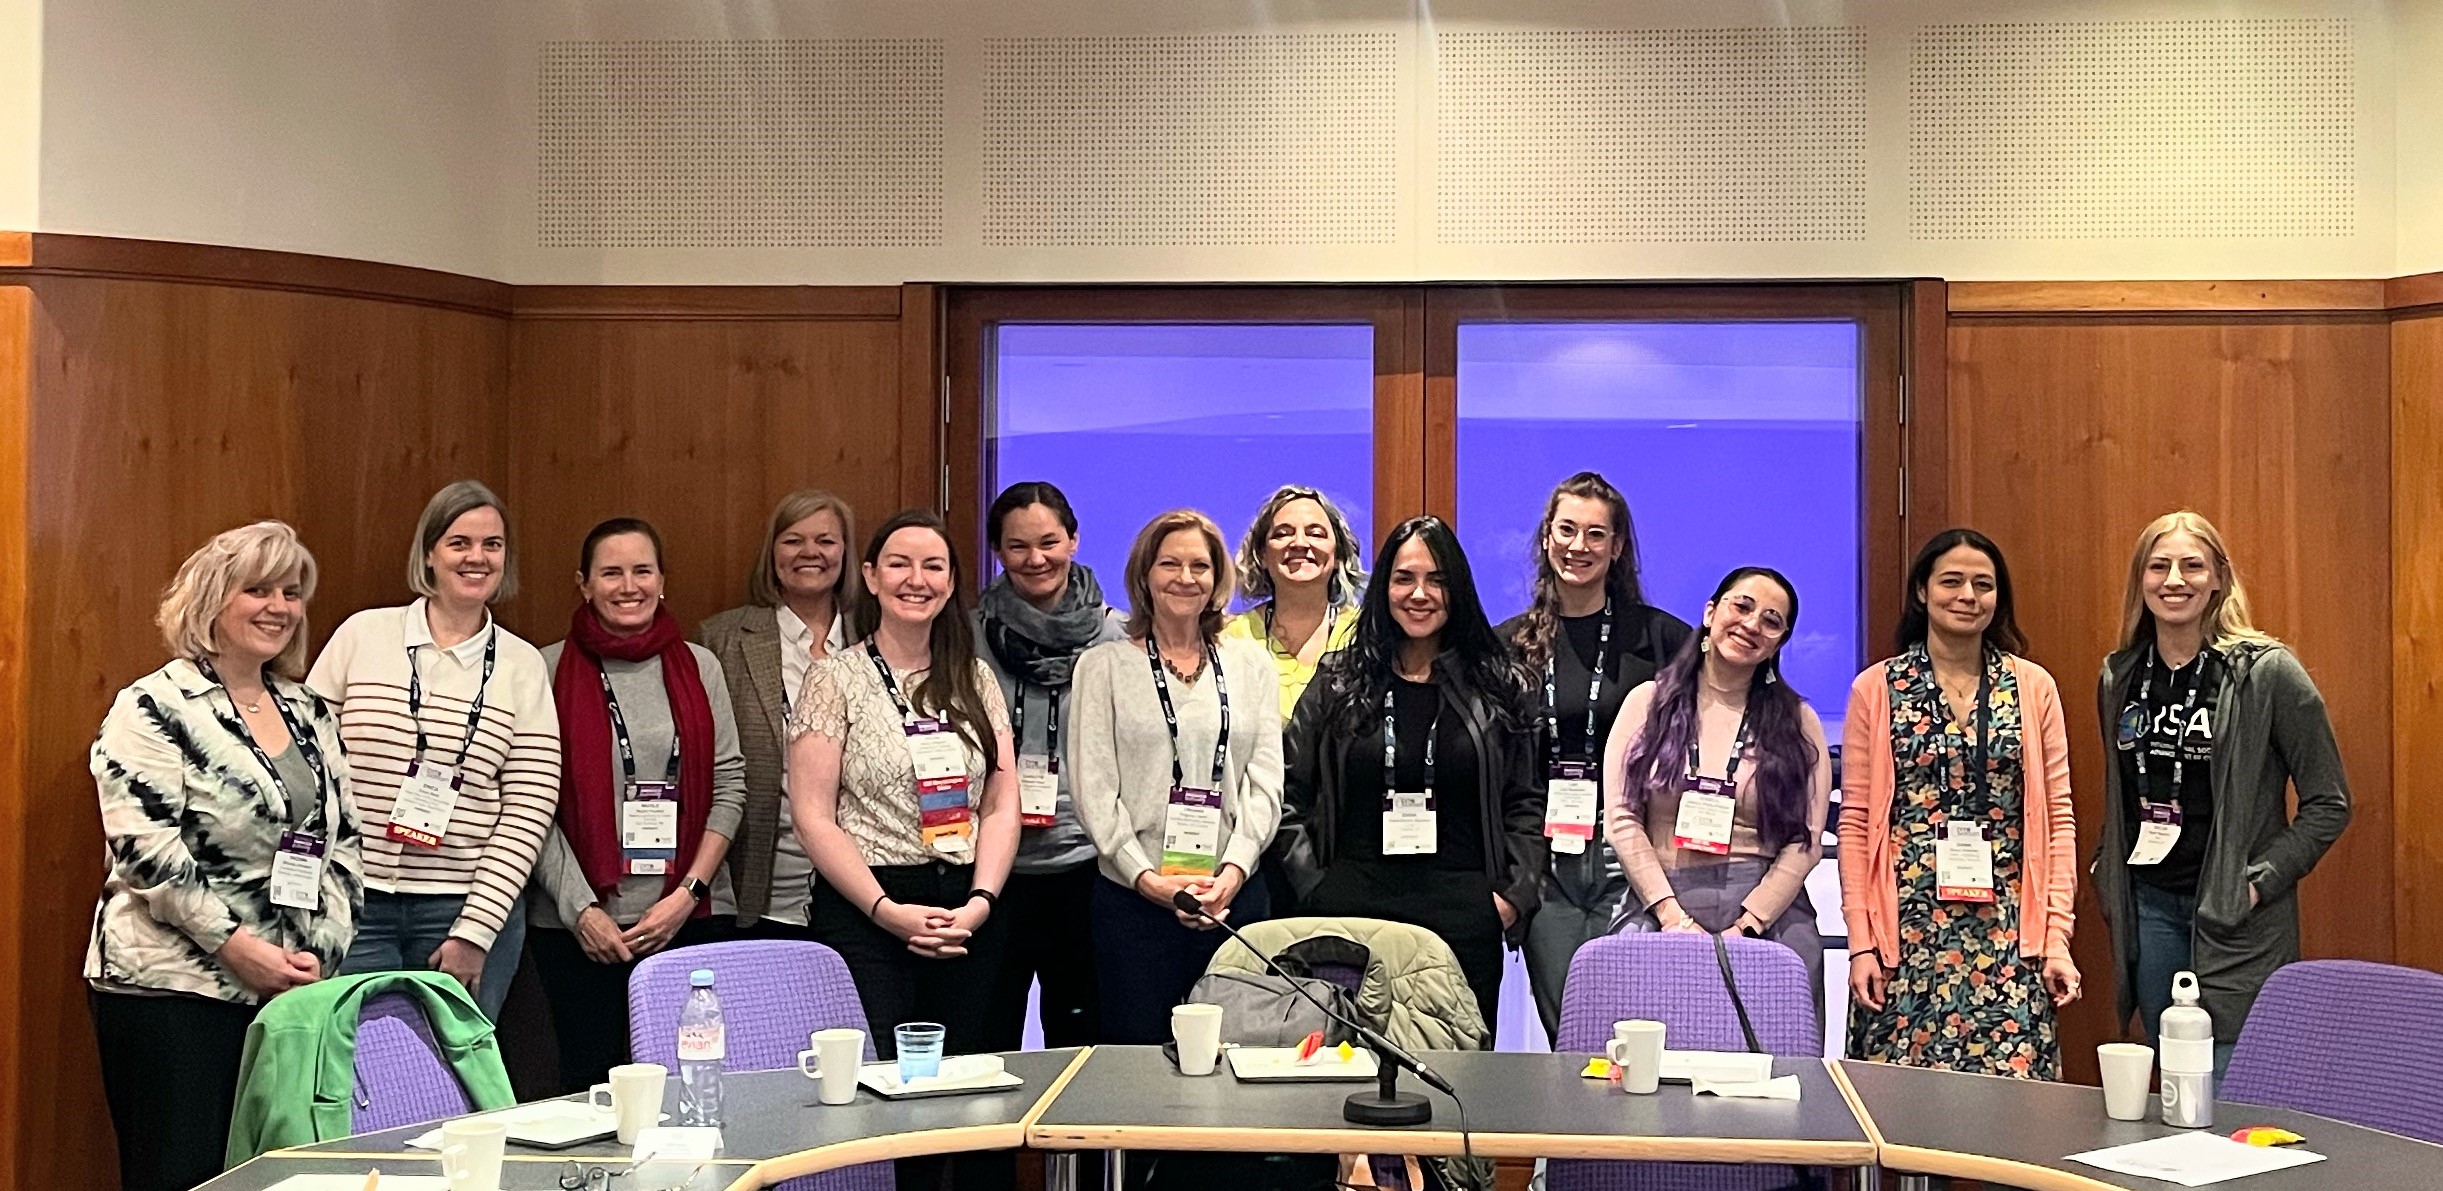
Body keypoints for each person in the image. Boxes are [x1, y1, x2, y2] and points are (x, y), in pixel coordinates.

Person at [87, 521, 363, 1191]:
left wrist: (319, 952)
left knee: (277, 1179)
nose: (279, 607)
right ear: (212, 599)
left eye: (291, 592)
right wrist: (237, 947)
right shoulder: (152, 706)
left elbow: (344, 844)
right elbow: (146, 853)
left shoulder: (308, 710)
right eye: (258, 590)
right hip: (173, 990)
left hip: (288, 992)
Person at [2092, 511, 2349, 1075]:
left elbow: (2329, 802)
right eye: (2158, 566)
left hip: (2238, 919)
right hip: (2151, 909)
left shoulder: (2267, 673)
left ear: (2218, 579)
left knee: (2235, 1088)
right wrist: (2105, 872)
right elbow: (2121, 793)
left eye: (2192, 565)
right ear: (2141, 580)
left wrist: (2259, 883)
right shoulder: (2119, 676)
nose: (2174, 580)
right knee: (2176, 1083)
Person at [1275, 515, 1545, 1029]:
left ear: (1458, 588)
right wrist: (1313, 887)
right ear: (1384, 587)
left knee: (1456, 1066)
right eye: (1404, 578)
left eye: (1436, 579)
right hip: (1349, 907)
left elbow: (1526, 800)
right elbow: (1289, 793)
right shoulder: (1338, 680)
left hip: (1463, 911)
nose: (1419, 594)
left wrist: (1511, 898)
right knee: (1344, 1061)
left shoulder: (1501, 685)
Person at [309, 480, 560, 1020]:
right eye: (459, 542)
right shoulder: (361, 635)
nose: (477, 557)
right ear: (429, 553)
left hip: (462, 910)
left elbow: (530, 806)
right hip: (355, 903)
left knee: (453, 1064)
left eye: (492, 544)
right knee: (357, 1062)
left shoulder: (522, 665)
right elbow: (310, 766)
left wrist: (476, 929)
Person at [1840, 529, 2080, 1078]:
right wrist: (1860, 945)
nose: (1968, 595)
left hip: (2011, 936)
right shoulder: (1876, 688)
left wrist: (2057, 939)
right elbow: (1854, 824)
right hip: (1903, 935)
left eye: (1983, 584)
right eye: (1952, 581)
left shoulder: (2032, 686)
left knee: (2014, 1107)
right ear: (1922, 591)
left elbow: (2059, 819)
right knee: (1899, 1104)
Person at [788, 508, 1017, 1058]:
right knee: (877, 1081)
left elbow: (1000, 803)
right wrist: (885, 910)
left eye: (933, 566)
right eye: (899, 564)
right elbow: (812, 818)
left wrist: (981, 902)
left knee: (969, 1080)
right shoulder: (833, 678)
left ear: (951, 582)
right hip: (868, 910)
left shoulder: (975, 677)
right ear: (871, 576)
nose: (917, 580)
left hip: (966, 913)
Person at [530, 518, 746, 1093]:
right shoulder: (543, 670)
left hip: (688, 915)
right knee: (592, 1088)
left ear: (662, 581)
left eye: (642, 571)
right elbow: (531, 801)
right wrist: (582, 911)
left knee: (691, 1082)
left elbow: (730, 784)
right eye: (611, 573)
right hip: (577, 928)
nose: (629, 586)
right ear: (584, 584)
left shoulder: (701, 666)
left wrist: (686, 896)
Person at [1070, 510, 1284, 1043]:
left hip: (1233, 898)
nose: (1185, 578)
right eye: (1169, 564)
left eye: (1199, 566)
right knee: (1139, 1063)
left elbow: (1265, 783)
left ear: (1217, 578)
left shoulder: (1251, 664)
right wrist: (1147, 880)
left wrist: (1231, 874)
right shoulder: (1102, 667)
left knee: (1238, 1059)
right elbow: (1094, 790)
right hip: (1134, 905)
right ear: (1144, 575)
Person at [1496, 471, 1692, 1038]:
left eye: (1595, 534)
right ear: (1546, 538)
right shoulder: (1508, 644)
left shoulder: (1661, 640)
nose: (1578, 546)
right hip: (1544, 859)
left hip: (1628, 851)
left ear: (1618, 547)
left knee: (1632, 1026)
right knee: (1570, 1029)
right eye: (1566, 530)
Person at [1603, 567, 1831, 1025]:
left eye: (1771, 621)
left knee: (1781, 1045)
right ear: (1711, 613)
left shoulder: (1798, 721)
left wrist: (1750, 924)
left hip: (1766, 910)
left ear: (1779, 643)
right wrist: (1671, 916)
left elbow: (1805, 839)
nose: (1751, 625)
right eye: (1741, 606)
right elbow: (1622, 818)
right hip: (1660, 898)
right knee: (1633, 1039)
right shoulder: (1647, 703)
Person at [971, 481, 1124, 1051]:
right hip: (991, 867)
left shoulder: (1118, 637)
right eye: (1017, 546)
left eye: (1049, 542)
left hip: (1088, 863)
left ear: (1074, 541)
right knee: (987, 1039)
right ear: (997, 551)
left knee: (1082, 1040)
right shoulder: (966, 635)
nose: (1035, 559)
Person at [697, 490, 859, 939]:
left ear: (846, 552)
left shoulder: (878, 634)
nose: (810, 552)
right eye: (793, 540)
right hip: (757, 885)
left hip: (862, 884)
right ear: (772, 553)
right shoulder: (722, 639)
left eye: (825, 540)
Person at [1222, 484, 1366, 718]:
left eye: (1315, 534)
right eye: (1283, 533)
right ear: (1262, 556)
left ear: (1339, 555)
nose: (1299, 543)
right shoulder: (1229, 640)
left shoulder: (1366, 635)